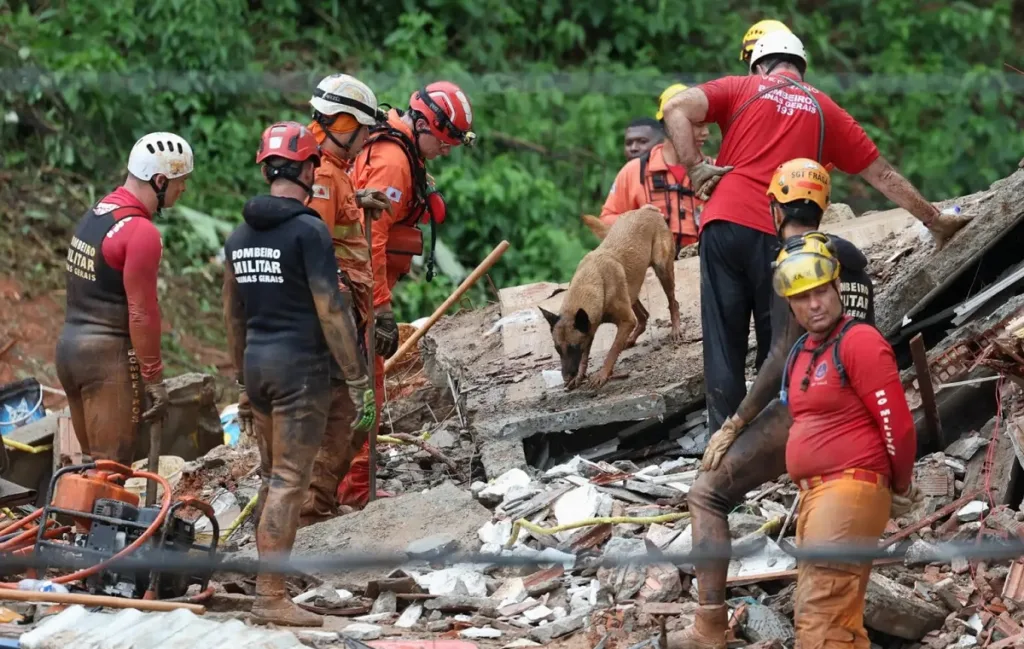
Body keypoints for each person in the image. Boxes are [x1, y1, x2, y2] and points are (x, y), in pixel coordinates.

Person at [660, 30, 969, 437]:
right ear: (801, 66)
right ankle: (776, 446)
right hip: (783, 239)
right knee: (781, 348)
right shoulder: (827, 109)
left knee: (723, 346)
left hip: (725, 224)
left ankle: (721, 454)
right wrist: (935, 219)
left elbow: (676, 109)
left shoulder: (740, 87)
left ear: (759, 64)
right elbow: (884, 175)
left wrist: (695, 167)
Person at [668, 160, 875, 649]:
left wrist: (735, 423)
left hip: (810, 404)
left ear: (775, 205)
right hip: (857, 407)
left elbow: (783, 355)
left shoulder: (795, 257)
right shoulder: (853, 259)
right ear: (822, 205)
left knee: (707, 494)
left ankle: (708, 629)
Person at [222, 121, 376, 626]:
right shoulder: (308, 229)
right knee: (290, 481)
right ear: (309, 168)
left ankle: (264, 580)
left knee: (272, 477)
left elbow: (233, 315)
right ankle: (270, 596)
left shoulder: (239, 236)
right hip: (299, 372)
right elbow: (331, 310)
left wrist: (243, 380)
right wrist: (355, 375)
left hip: (258, 367)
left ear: (267, 170)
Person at [774, 235, 918, 647]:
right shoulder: (804, 349)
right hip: (818, 497)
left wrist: (902, 485)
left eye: (820, 291)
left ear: (838, 287)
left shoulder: (859, 341)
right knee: (837, 619)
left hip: (848, 489)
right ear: (790, 304)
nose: (813, 304)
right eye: (802, 297)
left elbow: (899, 426)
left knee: (820, 623)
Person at [340, 81, 476, 508]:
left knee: (359, 386)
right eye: (445, 140)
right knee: (367, 388)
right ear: (422, 124)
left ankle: (344, 483)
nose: (447, 149)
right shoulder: (394, 161)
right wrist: (379, 306)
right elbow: (371, 239)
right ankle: (356, 489)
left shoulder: (397, 151)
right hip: (354, 290)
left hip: (351, 285)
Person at [56, 132, 192, 465]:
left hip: (70, 353)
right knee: (110, 474)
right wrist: (154, 377)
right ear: (159, 180)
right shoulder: (140, 232)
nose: (183, 189)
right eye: (180, 181)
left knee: (90, 467)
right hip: (107, 362)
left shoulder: (97, 214)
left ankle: (77, 519)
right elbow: (142, 312)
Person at [300, 73, 392, 523]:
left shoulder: (334, 174)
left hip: (340, 311)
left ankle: (318, 501)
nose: (365, 142)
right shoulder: (321, 176)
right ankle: (313, 506)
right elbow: (315, 250)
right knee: (350, 410)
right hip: (331, 314)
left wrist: (359, 199)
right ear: (343, 124)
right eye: (362, 131)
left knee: (347, 411)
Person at [601, 84, 713, 254]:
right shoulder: (635, 171)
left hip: (702, 267)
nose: (705, 133)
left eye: (706, 124)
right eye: (697, 124)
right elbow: (604, 223)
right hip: (651, 271)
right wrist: (637, 223)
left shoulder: (715, 170)